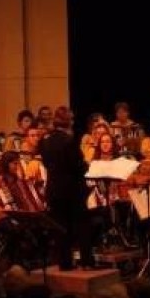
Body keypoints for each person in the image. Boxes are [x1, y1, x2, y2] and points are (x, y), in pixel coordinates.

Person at [39, 106, 94, 270]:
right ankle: (86, 261)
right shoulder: (69, 141)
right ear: (69, 121)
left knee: (60, 227)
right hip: (73, 190)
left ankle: (65, 263)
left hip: (54, 189)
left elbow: (47, 164)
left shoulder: (45, 141)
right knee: (82, 225)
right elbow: (78, 166)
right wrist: (86, 164)